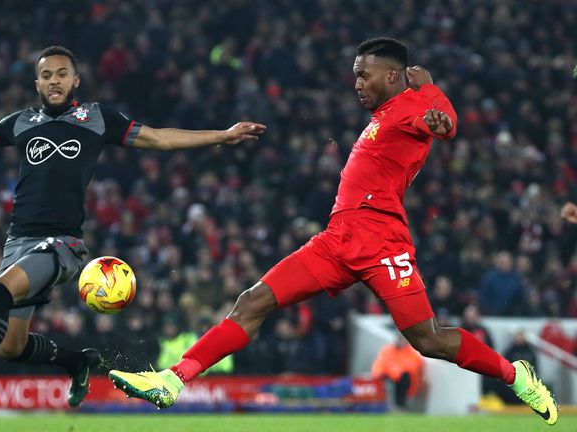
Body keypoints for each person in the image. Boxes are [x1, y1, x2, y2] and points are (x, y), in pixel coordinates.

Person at [108, 37, 558, 425]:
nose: (358, 84)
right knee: (253, 301)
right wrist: (429, 85)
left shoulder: (406, 110)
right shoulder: (397, 105)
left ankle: (516, 376)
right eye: (356, 76)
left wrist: (439, 114)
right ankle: (173, 379)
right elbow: (430, 102)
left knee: (429, 340)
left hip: (383, 242)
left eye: (365, 75)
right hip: (337, 238)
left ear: (393, 75)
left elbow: (440, 121)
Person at [0, 46, 265, 417]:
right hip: (19, 242)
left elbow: (158, 138)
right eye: (46, 75)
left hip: (62, 244)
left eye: (61, 74)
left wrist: (222, 135)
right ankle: (78, 362)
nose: (53, 81)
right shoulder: (22, 122)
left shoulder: (96, 117)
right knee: (11, 347)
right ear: (36, 83)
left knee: (1, 290)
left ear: (76, 80)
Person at [371, 334, 423, 409]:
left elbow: (411, 368)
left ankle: (399, 405)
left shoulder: (413, 354)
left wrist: (395, 371)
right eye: (399, 339)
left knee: (404, 377)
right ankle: (376, 401)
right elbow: (381, 364)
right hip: (389, 375)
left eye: (402, 340)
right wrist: (392, 371)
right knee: (380, 377)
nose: (400, 342)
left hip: (402, 380)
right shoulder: (387, 349)